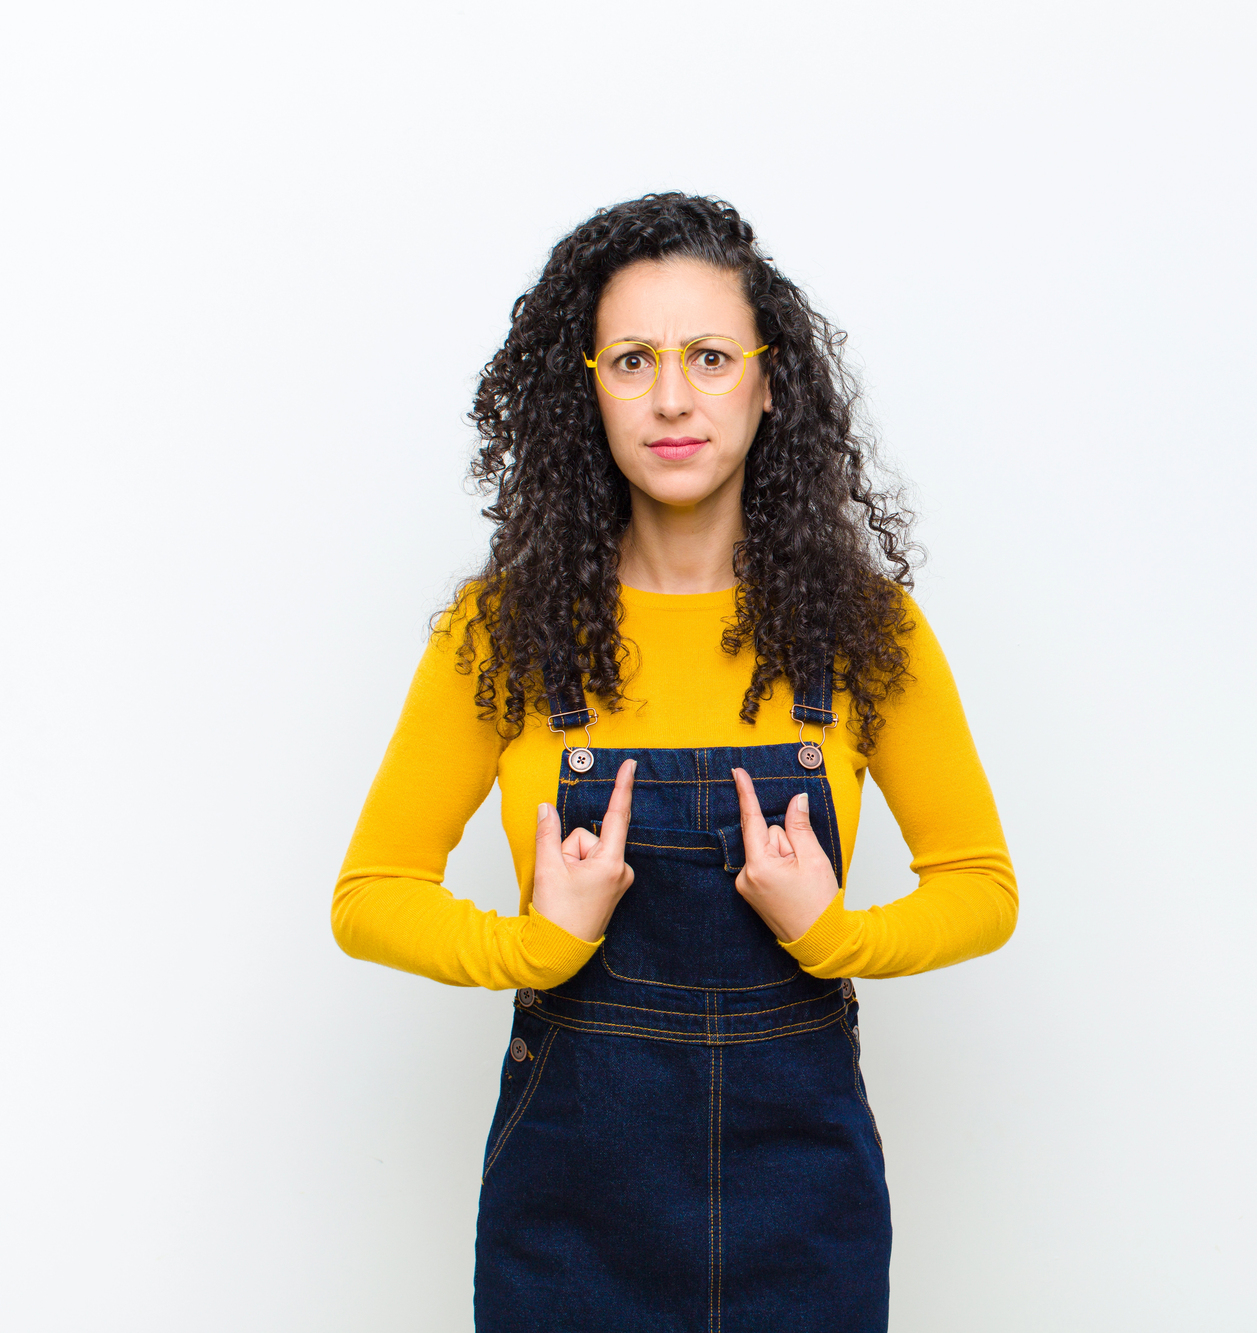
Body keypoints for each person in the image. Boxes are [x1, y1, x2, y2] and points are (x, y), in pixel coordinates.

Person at [331, 192, 1017, 1331]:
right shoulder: (500, 632)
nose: (669, 398)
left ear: (768, 378)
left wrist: (835, 935)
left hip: (799, 1194)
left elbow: (980, 888)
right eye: (632, 359)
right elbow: (370, 896)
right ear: (584, 386)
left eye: (707, 357)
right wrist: (534, 945)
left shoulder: (865, 630)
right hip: (571, 1203)